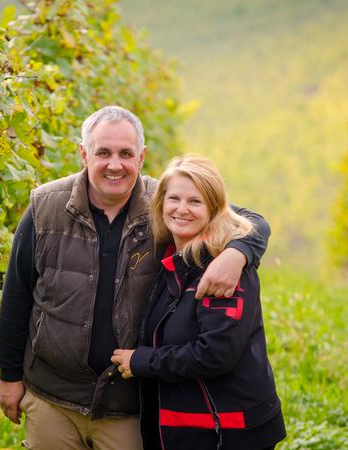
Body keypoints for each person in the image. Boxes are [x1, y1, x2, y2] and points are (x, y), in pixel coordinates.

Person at [0, 106, 271, 450]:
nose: (115, 164)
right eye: (103, 153)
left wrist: (239, 251)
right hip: (53, 399)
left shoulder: (166, 205)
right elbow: (17, 297)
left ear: (141, 157)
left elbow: (242, 217)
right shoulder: (45, 208)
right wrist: (9, 376)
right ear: (84, 154)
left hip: (129, 404)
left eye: (126, 153)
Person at [111, 155, 285, 450]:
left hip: (227, 432)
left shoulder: (223, 271)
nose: (181, 209)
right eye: (174, 198)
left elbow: (215, 354)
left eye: (195, 201)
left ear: (214, 209)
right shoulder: (172, 259)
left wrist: (141, 361)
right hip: (191, 428)